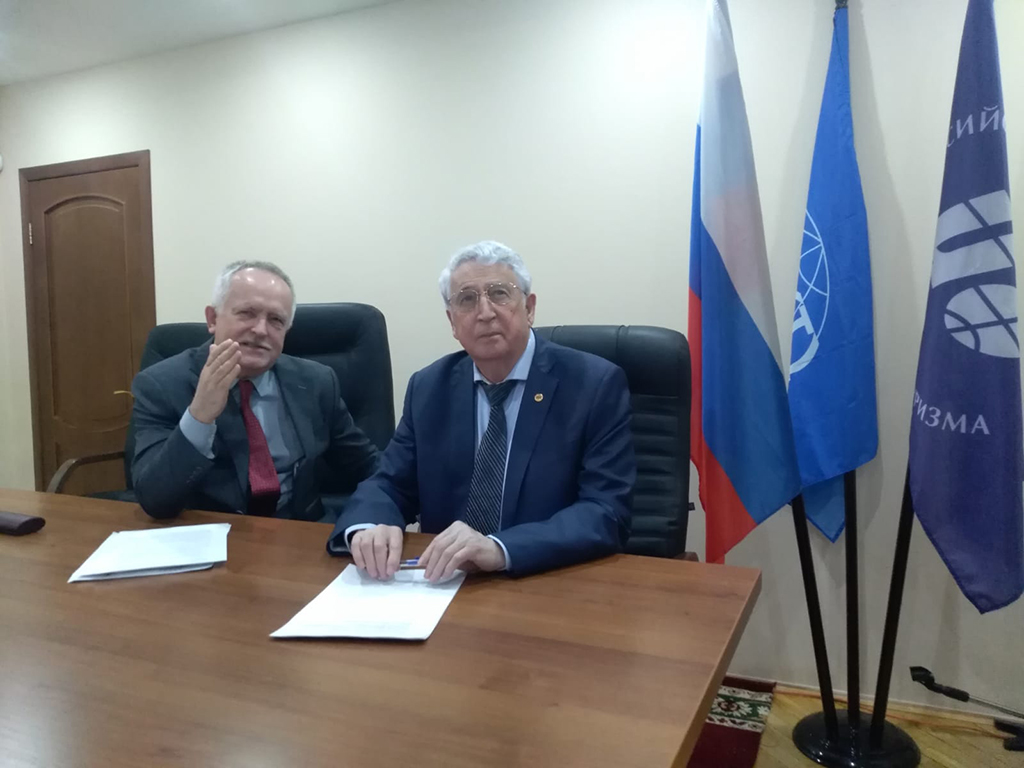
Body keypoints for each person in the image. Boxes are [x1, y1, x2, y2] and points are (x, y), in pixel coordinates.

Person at [328, 241, 635, 580]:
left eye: (500, 294)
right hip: (445, 582)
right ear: (452, 321)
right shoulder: (429, 387)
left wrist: (500, 549)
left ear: (529, 308)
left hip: (548, 580)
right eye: (467, 300)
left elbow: (605, 511)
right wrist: (368, 525)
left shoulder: (593, 384)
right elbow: (390, 483)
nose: (485, 312)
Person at [131, 260, 379, 521]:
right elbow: (155, 500)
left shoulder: (317, 382)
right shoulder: (161, 385)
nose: (261, 330)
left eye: (276, 320)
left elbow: (366, 465)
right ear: (213, 319)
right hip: (212, 532)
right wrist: (199, 416)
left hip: (301, 530)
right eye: (247, 313)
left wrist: (386, 512)